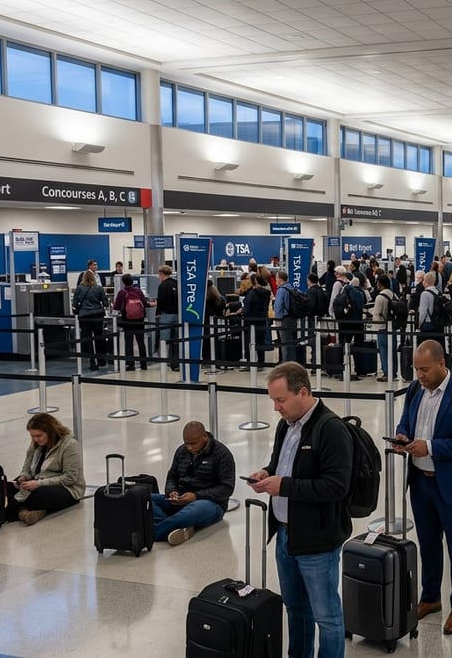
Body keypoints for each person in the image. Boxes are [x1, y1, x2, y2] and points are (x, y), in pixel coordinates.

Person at [249, 362, 353, 658]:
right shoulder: (286, 425)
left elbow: (336, 487)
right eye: (273, 401)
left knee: (326, 616)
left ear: (303, 392)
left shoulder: (331, 429)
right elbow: (280, 464)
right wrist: (265, 473)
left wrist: (285, 486)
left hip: (317, 541)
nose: (276, 408)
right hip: (285, 535)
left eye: (280, 400)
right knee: (295, 610)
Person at [394, 341, 452, 635]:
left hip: (451, 485)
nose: (419, 374)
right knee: (428, 545)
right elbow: (406, 419)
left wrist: (429, 447)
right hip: (420, 482)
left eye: (424, 369)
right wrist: (401, 436)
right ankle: (430, 597)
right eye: (416, 369)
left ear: (442, 364)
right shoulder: (415, 390)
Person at [153, 420, 235, 546]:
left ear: (205, 437)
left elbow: (226, 488)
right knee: (145, 498)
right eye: (187, 443)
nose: (190, 447)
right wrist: (171, 491)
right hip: (181, 499)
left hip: (211, 504)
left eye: (194, 443)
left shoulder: (222, 454)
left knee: (195, 509)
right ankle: (175, 526)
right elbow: (172, 477)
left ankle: (154, 532)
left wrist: (196, 496)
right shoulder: (181, 451)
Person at [5, 414, 86, 525]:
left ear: (51, 432)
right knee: (5, 487)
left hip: (67, 488)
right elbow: (27, 467)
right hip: (37, 481)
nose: (35, 439)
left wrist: (39, 483)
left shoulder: (70, 445)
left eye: (39, 436)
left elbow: (70, 478)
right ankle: (24, 512)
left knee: (38, 494)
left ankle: (15, 510)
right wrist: (23, 477)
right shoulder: (35, 443)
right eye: (32, 436)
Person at [112, 273, 150, 370]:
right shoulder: (138, 291)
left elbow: (116, 307)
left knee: (128, 342)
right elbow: (144, 304)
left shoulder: (122, 292)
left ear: (123, 282)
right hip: (139, 319)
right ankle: (143, 364)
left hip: (127, 320)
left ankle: (130, 364)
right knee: (140, 341)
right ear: (132, 281)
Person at [72, 269, 108, 371]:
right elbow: (105, 303)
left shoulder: (79, 288)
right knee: (99, 337)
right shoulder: (99, 288)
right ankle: (102, 360)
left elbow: (74, 303)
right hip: (97, 315)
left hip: (84, 316)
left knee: (88, 339)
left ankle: (93, 362)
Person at [155, 265, 180, 371]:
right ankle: (175, 362)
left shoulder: (162, 286)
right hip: (177, 315)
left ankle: (165, 361)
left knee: (164, 340)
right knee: (176, 340)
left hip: (166, 315)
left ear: (161, 274)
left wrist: (157, 313)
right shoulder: (176, 283)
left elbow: (160, 301)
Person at [371, 275, 394, 381]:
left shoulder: (380, 297)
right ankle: (393, 372)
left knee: (384, 351)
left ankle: (386, 372)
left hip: (382, 326)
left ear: (380, 284)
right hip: (392, 326)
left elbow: (376, 312)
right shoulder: (393, 294)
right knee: (392, 350)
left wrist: (368, 312)